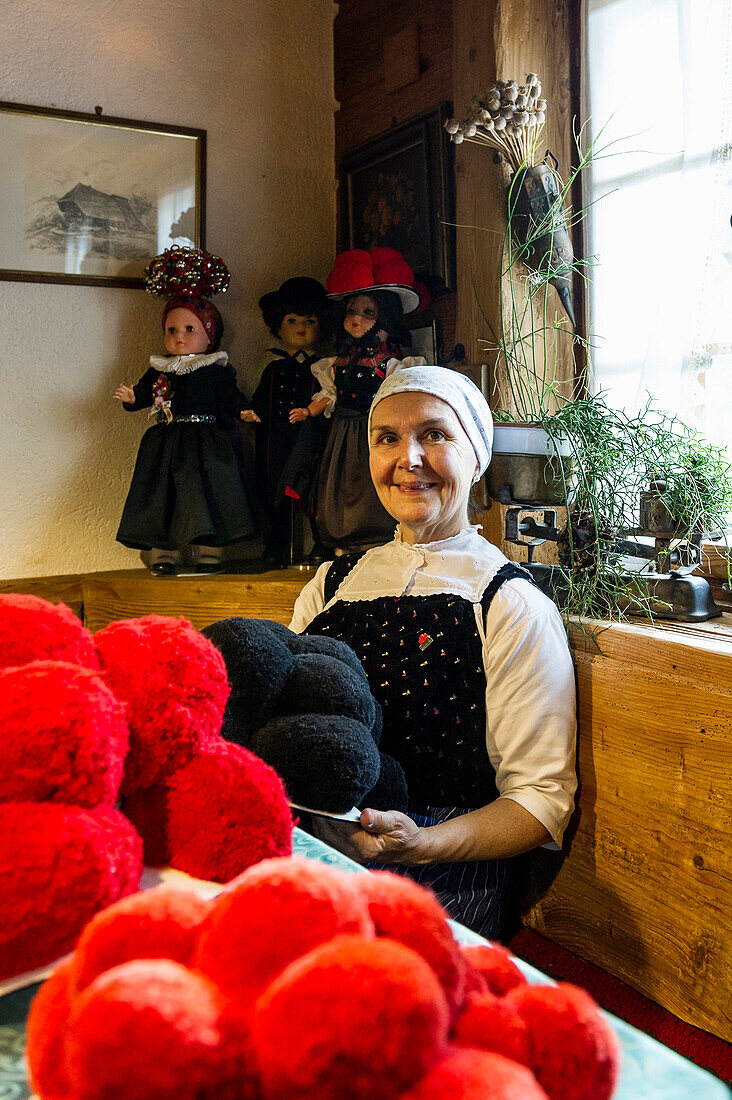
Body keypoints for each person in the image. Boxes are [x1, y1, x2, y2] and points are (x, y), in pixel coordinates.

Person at [289, 366, 577, 938]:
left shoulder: (509, 603)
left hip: (447, 879)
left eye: (435, 435)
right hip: (317, 854)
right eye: (387, 438)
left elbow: (540, 799)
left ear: (476, 454)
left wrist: (422, 845)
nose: (408, 459)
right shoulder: (331, 583)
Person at [114, 248, 254, 575]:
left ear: (209, 334)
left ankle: (209, 552)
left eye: (189, 330)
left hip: (207, 441)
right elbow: (147, 394)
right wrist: (133, 397)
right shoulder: (160, 369)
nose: (179, 338)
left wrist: (243, 410)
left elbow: (229, 396)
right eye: (172, 330)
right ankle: (164, 552)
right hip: (166, 441)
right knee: (164, 496)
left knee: (210, 495)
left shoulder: (215, 369)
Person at [286, 248, 427, 553]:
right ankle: (340, 538)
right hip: (342, 431)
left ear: (385, 321)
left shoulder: (390, 363)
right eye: (351, 311)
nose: (356, 319)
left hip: (374, 432)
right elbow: (329, 394)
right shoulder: (338, 362)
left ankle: (377, 538)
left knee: (371, 484)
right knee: (337, 484)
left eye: (367, 313)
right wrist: (308, 411)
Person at [240, 277, 330, 566]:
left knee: (315, 489)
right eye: (291, 321)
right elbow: (261, 398)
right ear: (278, 327)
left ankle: (322, 542)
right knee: (273, 493)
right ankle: (274, 546)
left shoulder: (324, 368)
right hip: (274, 440)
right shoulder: (274, 368)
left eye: (309, 321)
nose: (301, 328)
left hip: (312, 439)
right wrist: (251, 412)